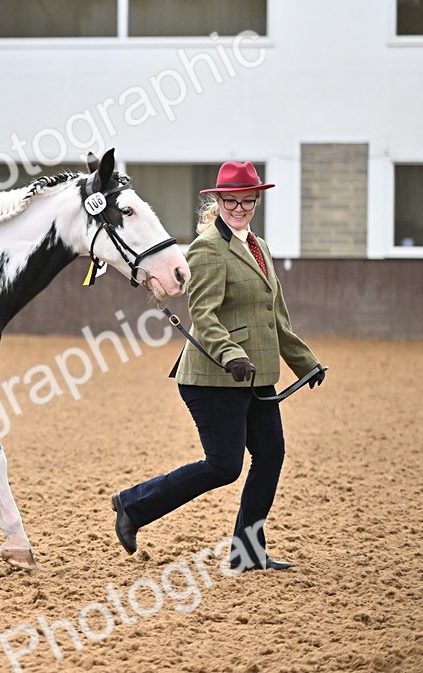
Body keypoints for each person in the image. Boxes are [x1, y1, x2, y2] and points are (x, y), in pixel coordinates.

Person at [111, 161, 325, 572]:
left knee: (271, 454)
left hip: (256, 376)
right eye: (232, 200)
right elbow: (203, 317)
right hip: (214, 377)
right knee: (223, 466)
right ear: (219, 201)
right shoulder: (207, 248)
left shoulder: (258, 247)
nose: (240, 207)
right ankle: (134, 505)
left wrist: (306, 363)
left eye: (247, 200)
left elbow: (274, 316)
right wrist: (232, 355)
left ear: (256, 201)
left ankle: (247, 552)